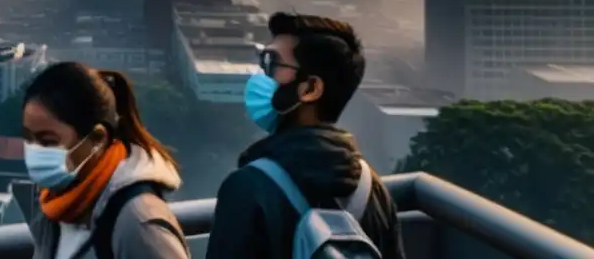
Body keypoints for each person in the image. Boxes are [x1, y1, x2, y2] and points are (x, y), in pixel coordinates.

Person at [206, 13, 406, 259]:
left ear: (311, 89)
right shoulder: (373, 189)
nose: (259, 75)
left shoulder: (247, 188)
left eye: (272, 63)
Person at [22, 61, 190, 259]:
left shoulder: (138, 224)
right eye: (28, 138)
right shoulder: (53, 207)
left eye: (48, 141)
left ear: (97, 139)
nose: (35, 150)